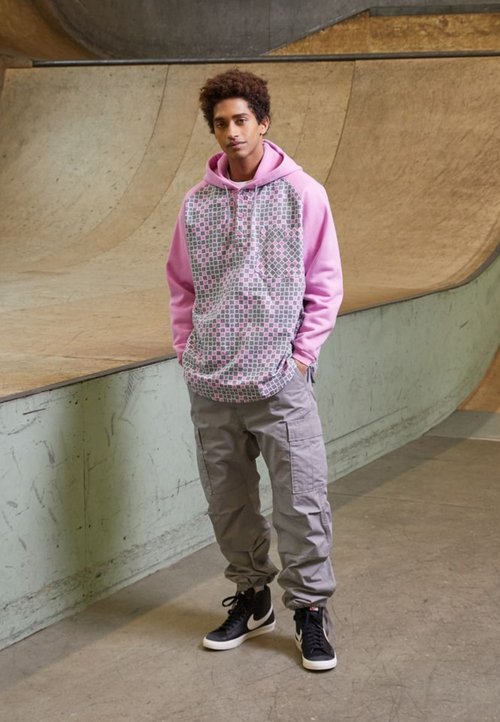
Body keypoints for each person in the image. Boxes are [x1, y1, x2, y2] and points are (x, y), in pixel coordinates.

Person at [166, 68, 343, 671]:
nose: (232, 132)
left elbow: (324, 283)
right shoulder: (197, 204)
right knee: (228, 501)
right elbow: (181, 285)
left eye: (242, 119)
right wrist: (186, 349)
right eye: (221, 123)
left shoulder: (303, 194)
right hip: (211, 381)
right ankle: (251, 596)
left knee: (301, 501)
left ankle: (310, 610)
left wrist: (302, 357)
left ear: (263, 122)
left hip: (279, 382)